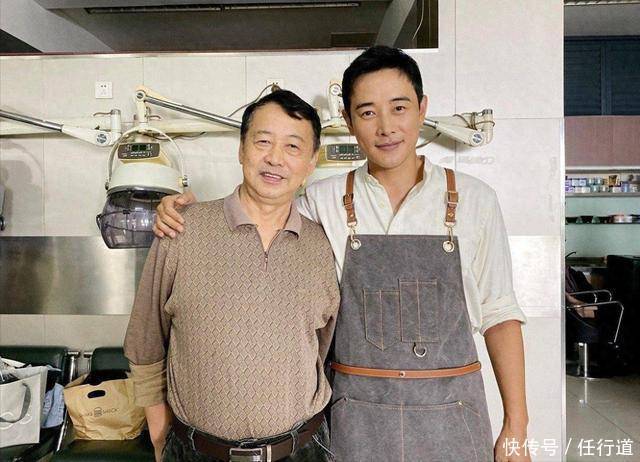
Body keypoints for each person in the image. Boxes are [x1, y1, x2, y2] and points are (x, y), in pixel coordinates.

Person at [155, 46, 531, 462]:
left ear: (422, 109)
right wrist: (187, 212)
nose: (386, 127)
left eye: (399, 108)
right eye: (368, 112)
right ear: (349, 122)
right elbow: (259, 213)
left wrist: (516, 428)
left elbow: (500, 316)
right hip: (356, 418)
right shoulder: (321, 201)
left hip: (453, 413)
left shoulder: (476, 200)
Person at [124, 90, 340, 462]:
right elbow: (146, 343)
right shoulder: (181, 229)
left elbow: (322, 349)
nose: (275, 158)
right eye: (263, 141)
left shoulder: (323, 244)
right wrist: (160, 436)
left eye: (292, 146)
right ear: (241, 149)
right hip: (196, 451)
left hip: (301, 450)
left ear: (310, 163)